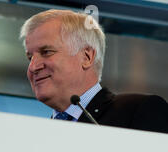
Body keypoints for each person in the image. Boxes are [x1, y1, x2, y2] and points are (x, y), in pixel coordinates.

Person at [20, 9, 168, 134]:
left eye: (46, 52)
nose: (33, 67)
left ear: (86, 57)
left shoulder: (139, 110)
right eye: (29, 57)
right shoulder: (40, 137)